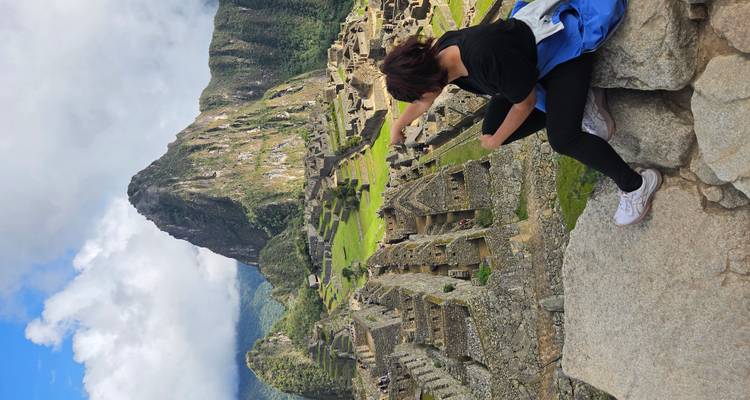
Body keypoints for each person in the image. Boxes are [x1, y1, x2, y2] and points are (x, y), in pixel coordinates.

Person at [379, 0, 661, 226]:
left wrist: (497, 139)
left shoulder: (482, 58)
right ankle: (575, 105)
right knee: (490, 128)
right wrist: (398, 126)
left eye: (417, 94)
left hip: (563, 50)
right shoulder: (441, 57)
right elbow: (423, 102)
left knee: (563, 139)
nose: (421, 102)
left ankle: (636, 185)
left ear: (426, 83)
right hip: (524, 65)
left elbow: (524, 104)